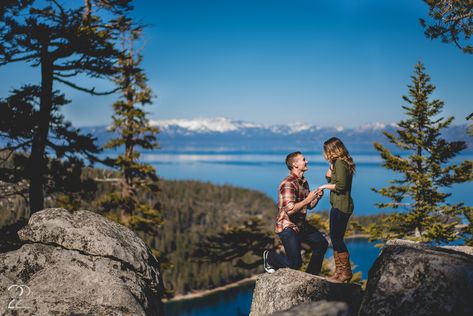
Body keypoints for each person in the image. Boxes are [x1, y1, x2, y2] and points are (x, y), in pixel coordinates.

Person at [263, 151, 328, 275]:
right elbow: (290, 209)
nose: (306, 161)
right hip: (287, 226)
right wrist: (308, 198)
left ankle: (311, 276)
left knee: (321, 244)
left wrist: (316, 198)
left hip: (300, 224)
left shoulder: (303, 182)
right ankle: (271, 257)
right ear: (295, 164)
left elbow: (309, 206)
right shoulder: (288, 183)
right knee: (295, 264)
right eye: (303, 159)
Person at [318, 137, 355, 283]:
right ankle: (339, 273)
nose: (325, 153)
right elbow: (336, 181)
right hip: (341, 205)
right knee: (335, 238)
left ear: (332, 150)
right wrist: (330, 171)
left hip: (340, 206)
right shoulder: (340, 163)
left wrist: (324, 186)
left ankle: (345, 272)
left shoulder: (340, 163)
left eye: (326, 150)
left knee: (337, 239)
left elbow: (340, 186)